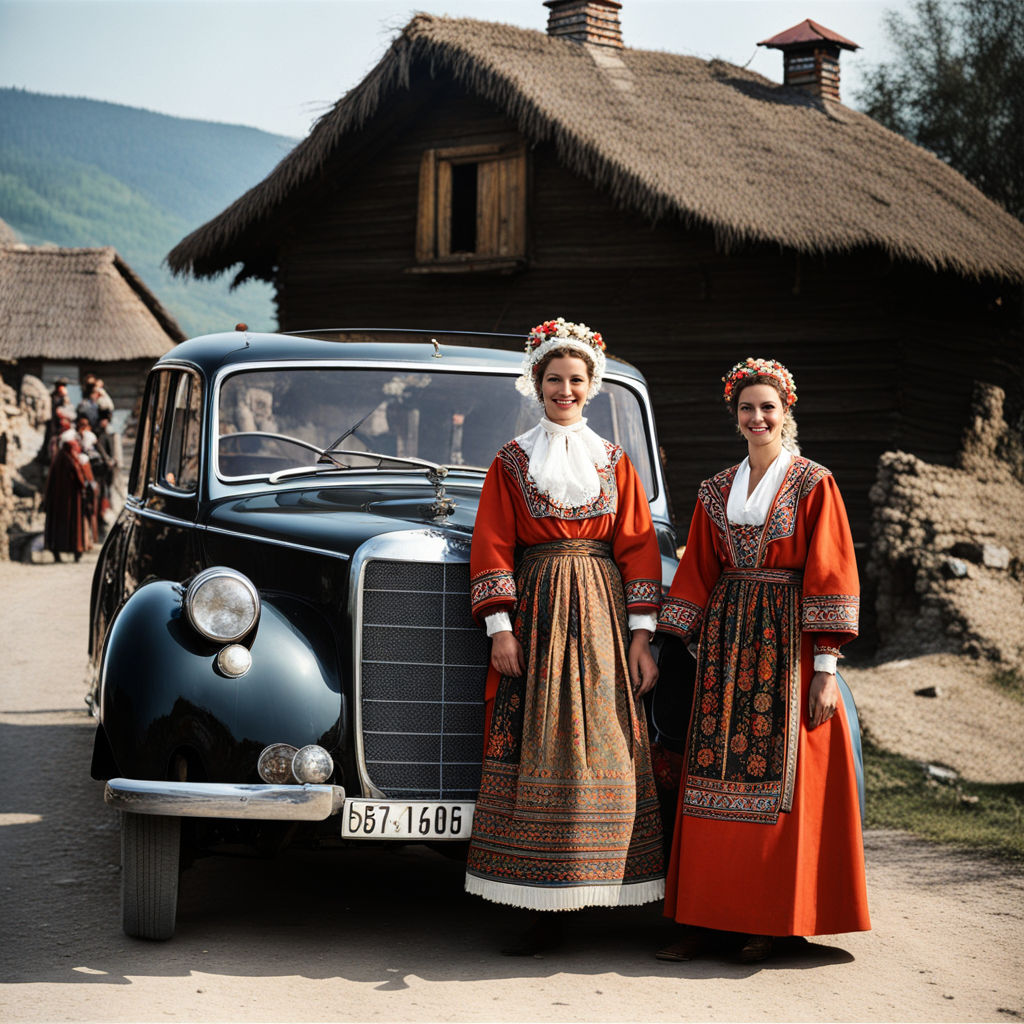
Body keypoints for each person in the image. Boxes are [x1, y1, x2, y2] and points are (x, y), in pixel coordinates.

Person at [655, 357, 870, 964]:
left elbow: (831, 569)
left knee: (782, 784)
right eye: (747, 408)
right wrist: (669, 641)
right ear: (736, 415)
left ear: (786, 413)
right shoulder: (715, 490)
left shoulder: (814, 483)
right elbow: (697, 569)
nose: (757, 418)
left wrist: (826, 664)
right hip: (724, 648)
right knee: (710, 780)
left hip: (788, 646)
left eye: (768, 408)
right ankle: (703, 918)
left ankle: (772, 921)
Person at [465, 317, 665, 954]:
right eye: (554, 378)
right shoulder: (512, 461)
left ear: (592, 386)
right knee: (543, 744)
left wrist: (640, 638)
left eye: (576, 379)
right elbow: (492, 543)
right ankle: (543, 904)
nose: (565, 389)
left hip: (604, 619)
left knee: (605, 740)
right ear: (536, 382)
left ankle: (608, 888)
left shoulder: (616, 462)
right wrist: (501, 627)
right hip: (540, 615)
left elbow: (637, 548)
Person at [42, 432, 95, 562]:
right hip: (72, 502)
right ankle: (76, 551)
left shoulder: (58, 459)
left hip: (58, 502)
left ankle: (57, 551)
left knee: (58, 525)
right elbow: (81, 479)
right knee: (74, 525)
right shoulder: (71, 460)